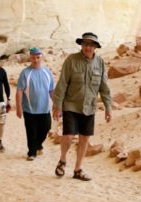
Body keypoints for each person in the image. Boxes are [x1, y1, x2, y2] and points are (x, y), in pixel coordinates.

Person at [52, 32, 112, 181]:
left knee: (85, 138)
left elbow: (104, 87)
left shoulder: (100, 63)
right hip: (71, 105)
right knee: (68, 136)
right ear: (81, 45)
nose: (88, 47)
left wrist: (108, 107)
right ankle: (63, 159)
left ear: (95, 47)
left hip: (89, 107)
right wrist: (57, 106)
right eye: (85, 44)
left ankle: (78, 169)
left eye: (91, 45)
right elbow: (62, 83)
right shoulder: (71, 60)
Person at [16, 47, 55, 161]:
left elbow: (51, 90)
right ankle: (31, 153)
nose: (36, 60)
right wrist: (19, 108)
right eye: (33, 57)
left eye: (38, 57)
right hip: (30, 109)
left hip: (45, 109)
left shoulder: (47, 72)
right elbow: (19, 91)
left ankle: (38, 145)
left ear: (41, 57)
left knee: (46, 128)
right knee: (31, 132)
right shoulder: (25, 73)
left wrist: (57, 105)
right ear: (30, 58)